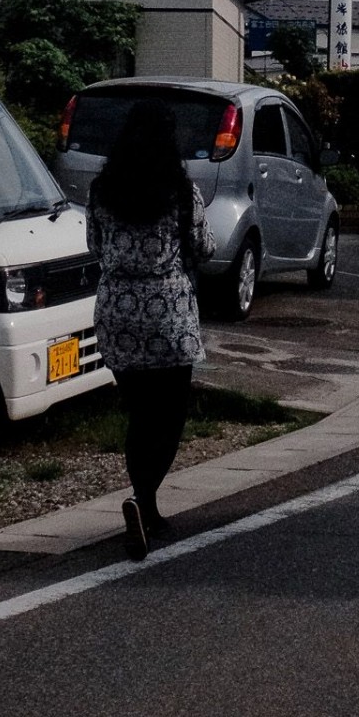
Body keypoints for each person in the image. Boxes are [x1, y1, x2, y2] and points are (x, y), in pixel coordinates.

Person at [86, 99, 212, 560]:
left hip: (117, 309)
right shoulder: (179, 190)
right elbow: (202, 246)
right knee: (171, 413)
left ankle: (145, 503)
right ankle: (145, 500)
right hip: (167, 310)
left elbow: (94, 245)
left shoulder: (102, 190)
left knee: (140, 411)